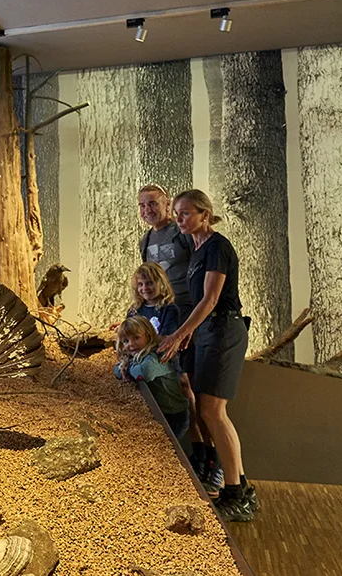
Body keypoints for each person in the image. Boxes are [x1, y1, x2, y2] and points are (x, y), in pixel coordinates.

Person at [159, 189, 258, 522]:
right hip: (208, 332)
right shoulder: (197, 248)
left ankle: (235, 494)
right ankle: (240, 487)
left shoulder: (217, 247)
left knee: (214, 411)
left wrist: (179, 333)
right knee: (207, 410)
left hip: (224, 329)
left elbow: (210, 299)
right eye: (176, 213)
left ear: (204, 214)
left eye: (185, 213)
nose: (179, 218)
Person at [137, 184, 205, 469]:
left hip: (187, 313)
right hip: (163, 316)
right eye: (142, 206)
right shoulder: (145, 240)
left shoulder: (181, 233)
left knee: (189, 382)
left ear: (166, 204)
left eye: (152, 203)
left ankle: (203, 451)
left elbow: (200, 267)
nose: (147, 210)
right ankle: (184, 448)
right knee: (175, 380)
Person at [114, 316, 190, 440]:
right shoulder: (138, 355)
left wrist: (127, 368)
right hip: (159, 412)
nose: (131, 344)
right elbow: (117, 371)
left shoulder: (155, 356)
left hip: (174, 414)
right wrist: (128, 366)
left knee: (168, 447)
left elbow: (145, 373)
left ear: (148, 336)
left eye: (136, 338)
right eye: (125, 341)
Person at [127, 262, 180, 337]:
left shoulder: (169, 310)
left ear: (162, 284)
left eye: (150, 283)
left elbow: (165, 339)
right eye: (140, 284)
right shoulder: (134, 310)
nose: (145, 288)